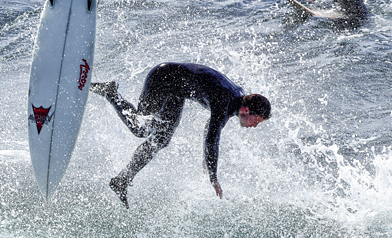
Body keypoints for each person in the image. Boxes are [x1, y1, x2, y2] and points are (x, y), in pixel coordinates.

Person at [89, 63, 272, 208]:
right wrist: (213, 177)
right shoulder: (224, 101)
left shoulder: (234, 103)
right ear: (246, 110)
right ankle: (110, 92)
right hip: (162, 78)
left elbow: (212, 128)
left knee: (161, 139)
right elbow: (212, 137)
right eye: (256, 120)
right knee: (140, 129)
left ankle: (121, 181)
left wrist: (206, 156)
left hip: (176, 91)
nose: (255, 125)